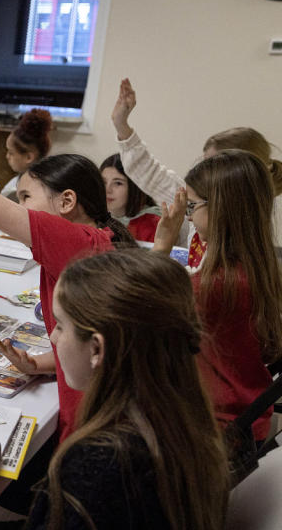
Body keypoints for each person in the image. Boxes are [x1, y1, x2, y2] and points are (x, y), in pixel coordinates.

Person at [0, 249, 230, 530]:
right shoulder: (177, 418)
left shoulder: (102, 463)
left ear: (97, 348)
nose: (52, 338)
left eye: (61, 326)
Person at [0, 71, 135, 442]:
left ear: (67, 201)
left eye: (26, 198)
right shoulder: (98, 238)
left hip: (93, 426)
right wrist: (40, 364)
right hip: (88, 407)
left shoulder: (76, 240)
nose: (20, 209)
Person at [153, 150, 282, 444]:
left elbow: (137, 308)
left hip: (217, 425)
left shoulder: (214, 286)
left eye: (193, 206)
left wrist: (162, 246)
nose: (187, 215)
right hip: (244, 408)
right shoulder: (253, 264)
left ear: (220, 210)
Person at [111, 77, 282, 266]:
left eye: (212, 166)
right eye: (204, 163)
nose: (202, 173)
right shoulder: (199, 200)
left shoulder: (247, 237)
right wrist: (121, 124)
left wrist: (162, 247)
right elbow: (151, 174)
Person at [100, 153, 160, 242]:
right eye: (103, 182)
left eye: (118, 183)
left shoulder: (152, 222)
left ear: (135, 188)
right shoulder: (95, 217)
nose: (107, 190)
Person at [0, 108, 53, 200]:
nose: (7, 156)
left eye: (11, 152)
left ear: (28, 157)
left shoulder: (16, 193)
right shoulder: (50, 180)